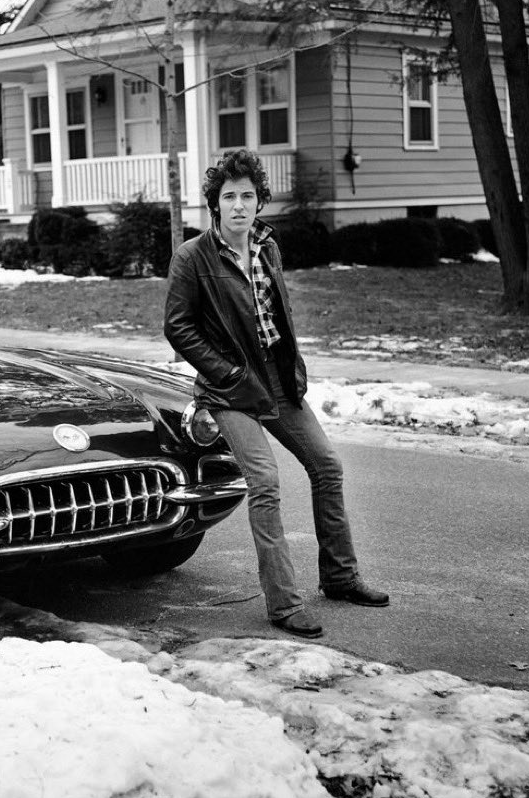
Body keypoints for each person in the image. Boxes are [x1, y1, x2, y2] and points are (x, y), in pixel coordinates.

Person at [164, 148, 388, 639]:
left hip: (278, 380)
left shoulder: (267, 247)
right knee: (265, 482)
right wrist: (227, 373)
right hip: (229, 388)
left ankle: (340, 577)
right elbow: (178, 328)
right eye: (229, 197)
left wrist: (293, 368)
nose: (239, 205)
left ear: (259, 201)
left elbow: (278, 317)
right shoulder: (193, 256)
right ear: (215, 204)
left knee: (327, 466)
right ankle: (284, 603)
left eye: (247, 196)